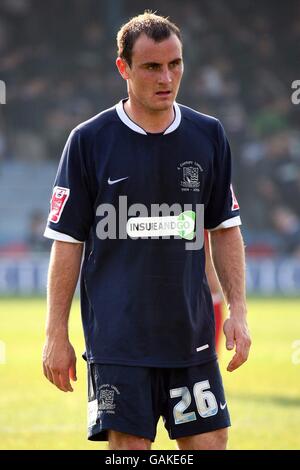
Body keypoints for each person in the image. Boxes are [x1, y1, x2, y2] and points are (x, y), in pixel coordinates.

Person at [42, 11, 251, 451]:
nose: (167, 77)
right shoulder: (89, 140)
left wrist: (239, 311)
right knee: (131, 449)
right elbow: (68, 242)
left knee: (211, 442)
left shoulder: (208, 135)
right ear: (124, 68)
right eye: (152, 66)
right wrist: (55, 334)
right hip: (118, 341)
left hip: (189, 337)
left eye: (175, 64)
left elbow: (225, 228)